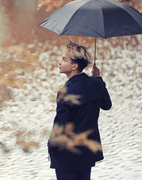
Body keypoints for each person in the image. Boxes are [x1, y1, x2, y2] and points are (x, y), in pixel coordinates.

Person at [48, 41, 112, 180]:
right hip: (86, 151)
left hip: (67, 154)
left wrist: (51, 149)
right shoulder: (96, 84)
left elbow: (60, 126)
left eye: (64, 59)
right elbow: (107, 105)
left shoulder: (65, 92)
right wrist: (98, 79)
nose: (59, 62)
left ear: (74, 66)